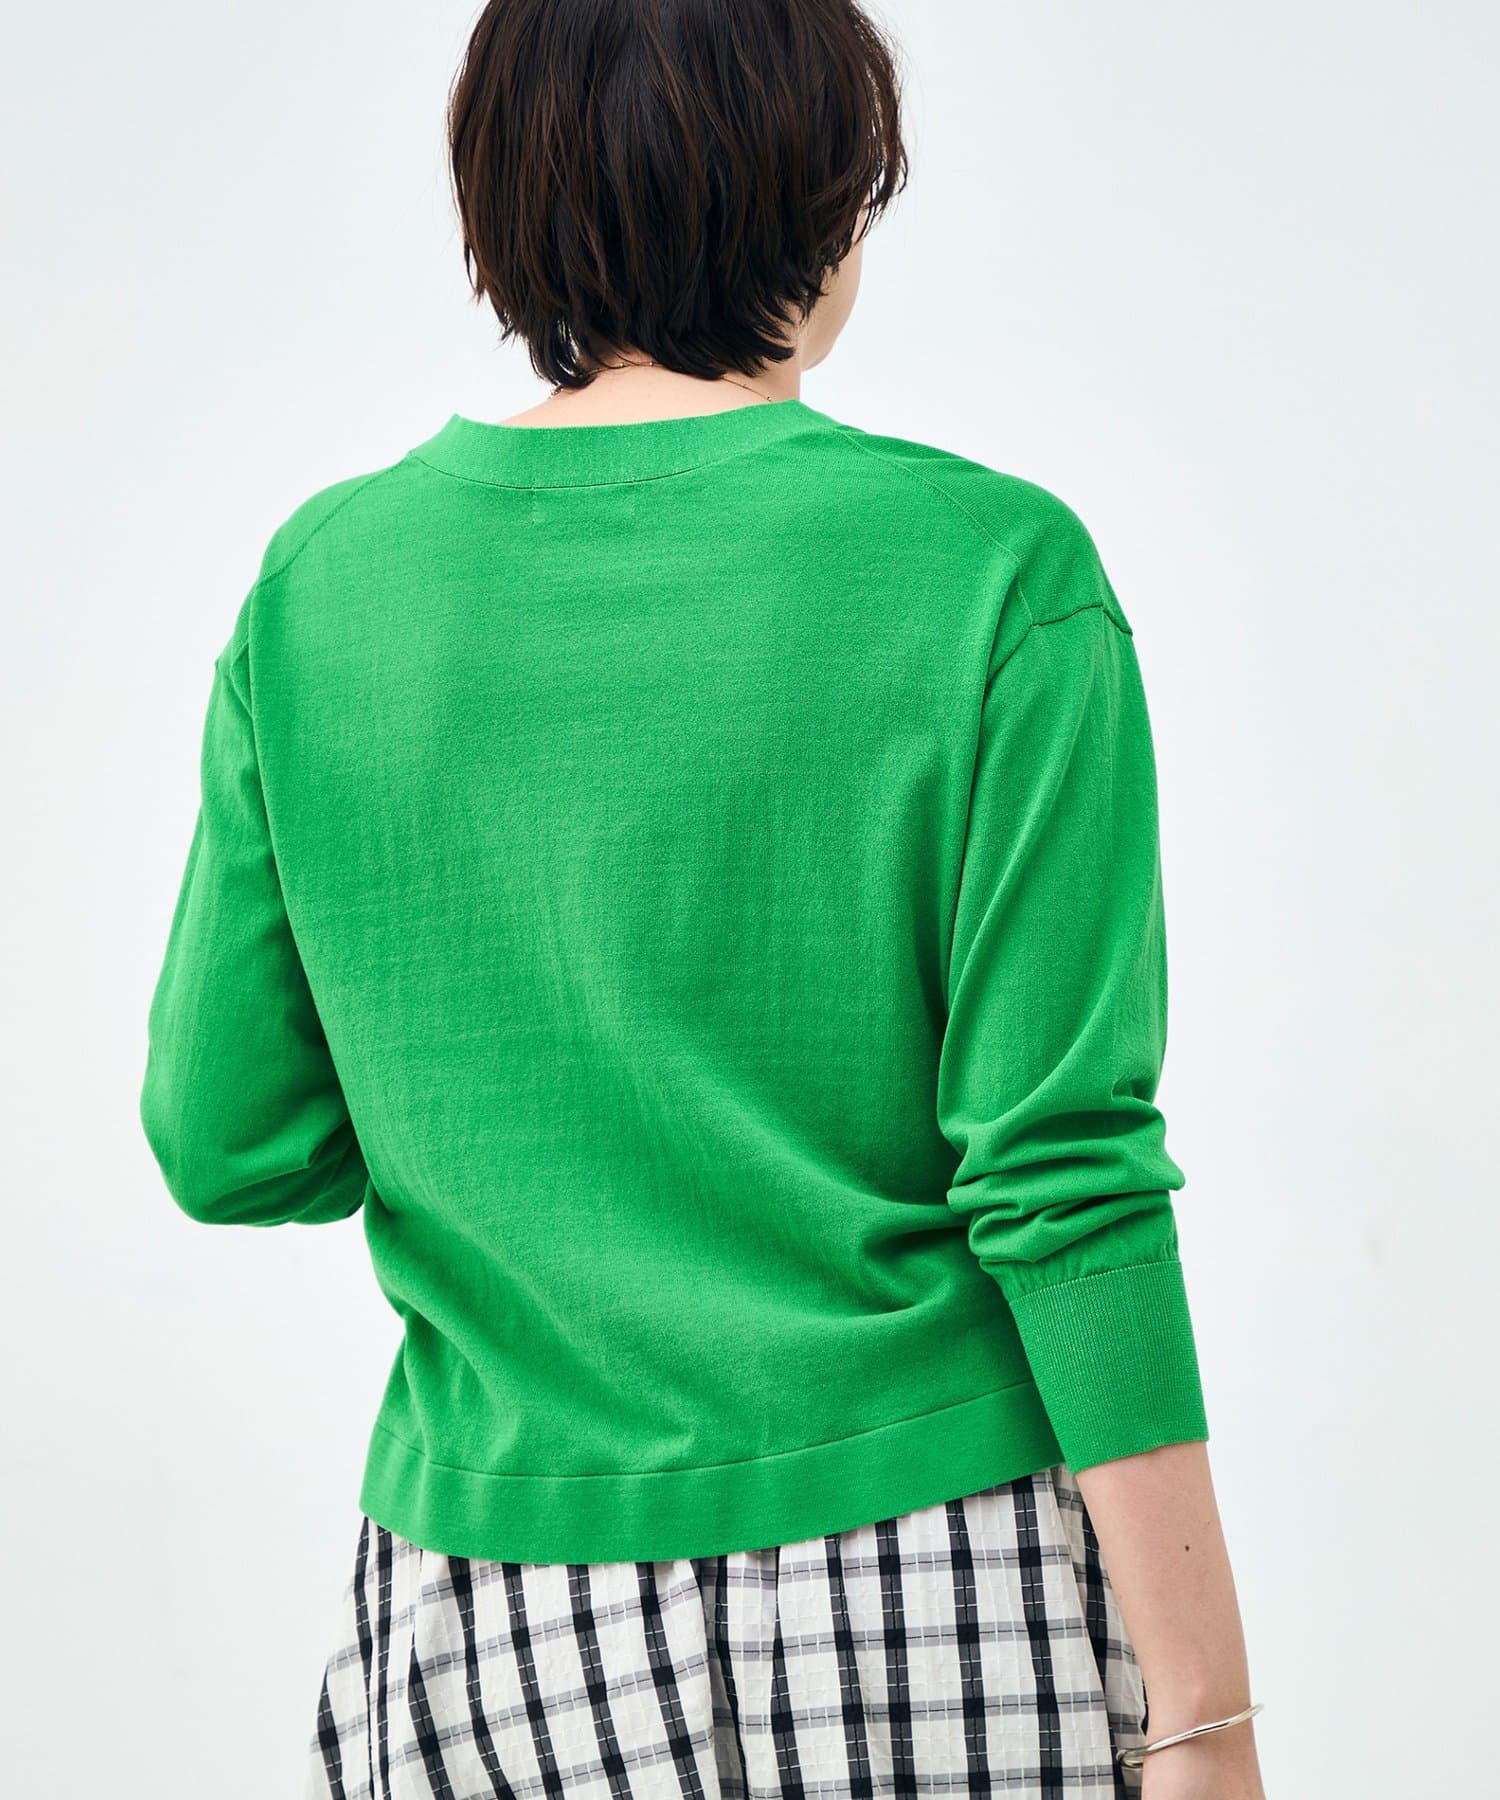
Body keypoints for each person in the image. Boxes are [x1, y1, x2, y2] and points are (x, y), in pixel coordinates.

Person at [138, 2, 1267, 1795]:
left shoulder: (320, 591)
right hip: (928, 1566)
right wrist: (1205, 1719)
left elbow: (229, 1141)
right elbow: (1063, 1176)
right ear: (825, 194)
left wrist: (498, 1089)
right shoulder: (995, 574)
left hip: (484, 1610)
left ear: (503, 201)